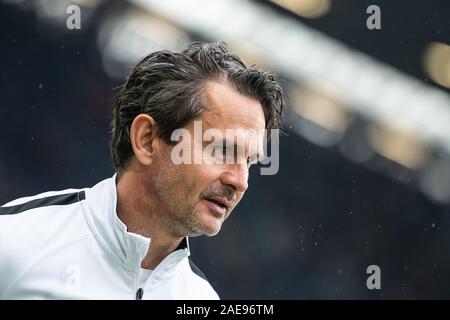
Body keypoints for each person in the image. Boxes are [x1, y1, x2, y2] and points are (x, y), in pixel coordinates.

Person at [0, 41, 285, 299]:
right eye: (221, 150)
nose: (240, 181)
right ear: (147, 139)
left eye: (249, 161)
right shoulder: (15, 241)